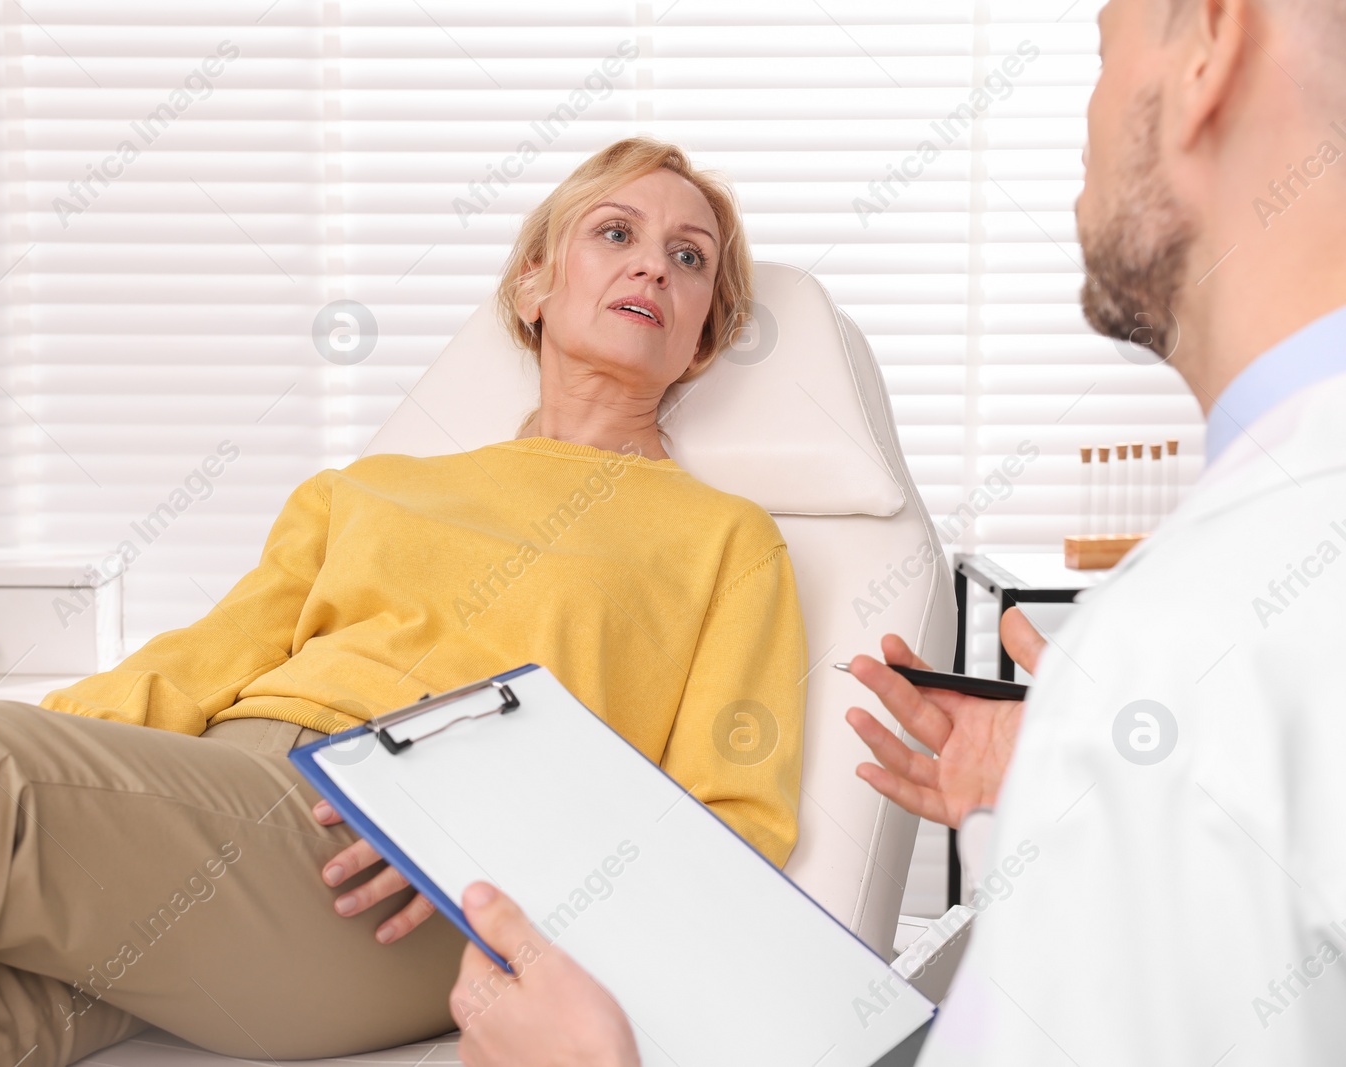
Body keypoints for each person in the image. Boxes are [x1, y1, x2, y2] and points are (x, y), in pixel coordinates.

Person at [0, 137, 809, 1066]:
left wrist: (497, 843)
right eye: (613, 231)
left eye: (688, 257)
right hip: (209, 800)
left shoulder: (727, 540)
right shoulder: (370, 487)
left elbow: (729, 828)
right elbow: (199, 665)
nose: (651, 265)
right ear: (531, 285)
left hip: (402, 880)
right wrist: (40, 742)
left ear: (704, 336)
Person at [440, 0, 1346, 1063]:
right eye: (615, 235)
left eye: (1103, 44)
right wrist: (1084, 783)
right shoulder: (1232, 620)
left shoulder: (1201, 632)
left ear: (1210, 45)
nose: (1083, 133)